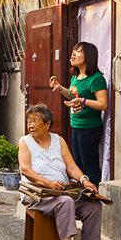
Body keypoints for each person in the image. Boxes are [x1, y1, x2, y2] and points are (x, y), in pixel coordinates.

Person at [19, 104, 104, 240]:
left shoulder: (59, 140)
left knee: (93, 204)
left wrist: (84, 180)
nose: (31, 125)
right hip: (37, 193)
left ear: (47, 124)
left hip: (62, 191)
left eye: (35, 121)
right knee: (65, 203)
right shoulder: (25, 142)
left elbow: (71, 167)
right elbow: (26, 170)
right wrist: (48, 183)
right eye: (29, 122)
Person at [49, 42, 108, 188]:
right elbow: (73, 95)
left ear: (88, 56)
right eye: (73, 51)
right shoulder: (76, 77)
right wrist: (60, 88)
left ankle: (93, 201)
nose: (73, 54)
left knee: (90, 167)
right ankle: (82, 199)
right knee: (78, 166)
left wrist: (83, 100)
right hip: (76, 125)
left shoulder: (96, 78)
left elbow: (103, 104)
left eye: (78, 51)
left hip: (89, 128)